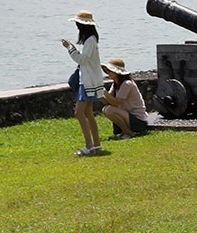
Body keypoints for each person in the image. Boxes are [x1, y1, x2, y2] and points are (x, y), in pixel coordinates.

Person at [61, 10, 104, 156]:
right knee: (88, 113)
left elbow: (82, 60)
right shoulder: (91, 39)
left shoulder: (90, 40)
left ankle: (89, 145)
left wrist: (70, 48)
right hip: (89, 80)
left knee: (79, 113)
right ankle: (96, 144)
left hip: (87, 81)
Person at [99, 58, 151, 139]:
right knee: (106, 109)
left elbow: (116, 102)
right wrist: (99, 94)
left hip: (138, 120)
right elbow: (107, 102)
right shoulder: (116, 84)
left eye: (110, 70)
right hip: (128, 117)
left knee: (109, 110)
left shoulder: (127, 84)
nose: (108, 72)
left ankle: (128, 132)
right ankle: (126, 131)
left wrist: (105, 92)